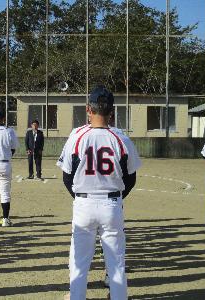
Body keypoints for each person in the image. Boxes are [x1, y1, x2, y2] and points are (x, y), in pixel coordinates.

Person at [57, 86, 141, 300]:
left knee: (78, 263)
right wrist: (115, 198)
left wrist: (80, 197)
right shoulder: (122, 139)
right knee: (116, 263)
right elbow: (130, 178)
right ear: (112, 111)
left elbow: (67, 177)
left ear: (88, 109)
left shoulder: (76, 136)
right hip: (112, 204)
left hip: (83, 204)